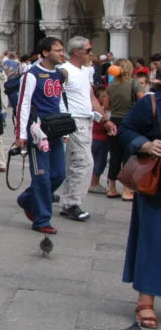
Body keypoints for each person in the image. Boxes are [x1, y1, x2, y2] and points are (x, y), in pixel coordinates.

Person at [116, 87, 161, 329]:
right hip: (157, 184)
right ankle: (145, 301)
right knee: (153, 240)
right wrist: (145, 145)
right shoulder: (152, 103)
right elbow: (126, 129)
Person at [56, 36, 115, 220]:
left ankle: (68, 200)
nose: (92, 54)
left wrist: (104, 120)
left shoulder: (84, 71)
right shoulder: (64, 71)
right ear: (77, 52)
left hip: (86, 122)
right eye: (88, 50)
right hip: (73, 122)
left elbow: (90, 98)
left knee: (75, 163)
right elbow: (56, 96)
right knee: (84, 162)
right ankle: (71, 202)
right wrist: (63, 123)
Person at [15, 36, 68, 235]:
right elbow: (23, 104)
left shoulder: (58, 75)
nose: (62, 53)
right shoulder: (31, 75)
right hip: (38, 135)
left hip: (55, 131)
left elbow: (60, 100)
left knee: (59, 175)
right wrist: (21, 134)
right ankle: (42, 219)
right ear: (45, 53)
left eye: (62, 50)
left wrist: (65, 126)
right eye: (58, 50)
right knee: (42, 178)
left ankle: (27, 199)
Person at [104, 58, 145, 200]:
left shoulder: (111, 85)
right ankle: (127, 190)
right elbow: (143, 102)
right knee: (129, 156)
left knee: (115, 156)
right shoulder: (135, 84)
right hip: (130, 122)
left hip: (114, 121)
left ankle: (111, 188)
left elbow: (106, 106)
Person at [89, 84, 111, 196]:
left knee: (95, 161)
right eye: (103, 96)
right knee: (99, 161)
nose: (105, 98)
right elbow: (102, 125)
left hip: (95, 139)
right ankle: (94, 183)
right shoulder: (99, 111)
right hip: (100, 139)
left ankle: (93, 182)